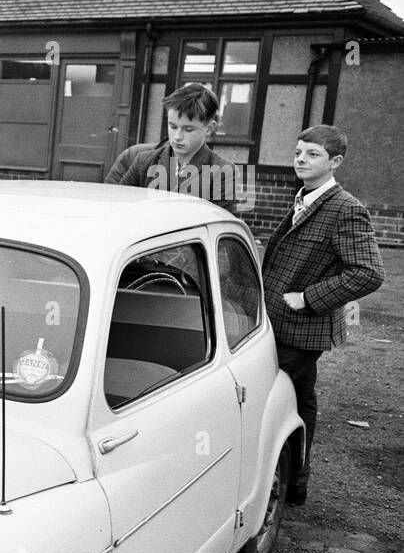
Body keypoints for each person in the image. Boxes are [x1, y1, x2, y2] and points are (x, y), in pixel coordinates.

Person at [261, 125, 384, 505]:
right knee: (299, 399)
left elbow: (368, 272)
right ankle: (293, 480)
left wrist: (309, 298)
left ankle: (289, 481)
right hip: (276, 322)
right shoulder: (304, 197)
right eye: (298, 152)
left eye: (312, 154)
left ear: (335, 162)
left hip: (301, 330)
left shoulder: (345, 209)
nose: (301, 159)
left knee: (285, 402)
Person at [114, 83, 237, 211]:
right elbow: (119, 206)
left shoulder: (223, 172)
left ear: (210, 129)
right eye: (172, 126)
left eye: (188, 129)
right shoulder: (143, 161)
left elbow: (219, 225)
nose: (177, 136)